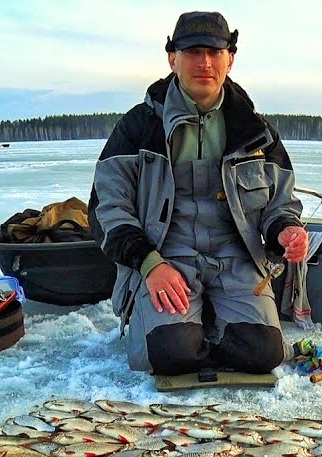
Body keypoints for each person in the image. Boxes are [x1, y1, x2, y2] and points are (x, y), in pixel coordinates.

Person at [89, 10, 308, 376]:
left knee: (264, 354)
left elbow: (279, 204)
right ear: (173, 58)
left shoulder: (257, 132)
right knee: (168, 354)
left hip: (236, 258)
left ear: (230, 58)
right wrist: (150, 264)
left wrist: (284, 229)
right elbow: (107, 209)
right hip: (167, 257)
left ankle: (206, 319)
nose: (204, 62)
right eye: (192, 52)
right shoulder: (138, 127)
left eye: (214, 51)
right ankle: (187, 327)